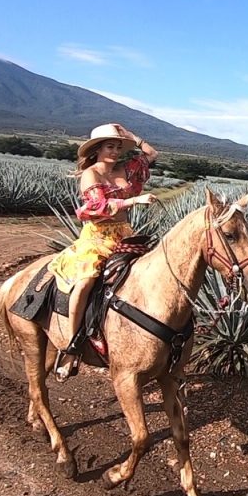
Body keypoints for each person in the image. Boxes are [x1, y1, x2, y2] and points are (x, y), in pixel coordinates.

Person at [48, 123, 159, 381]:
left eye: (118, 147)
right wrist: (131, 200)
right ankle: (71, 346)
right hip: (97, 237)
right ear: (97, 149)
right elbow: (96, 206)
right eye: (110, 146)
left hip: (125, 235)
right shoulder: (91, 174)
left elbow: (152, 156)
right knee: (86, 282)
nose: (116, 151)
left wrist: (132, 136)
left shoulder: (125, 170)